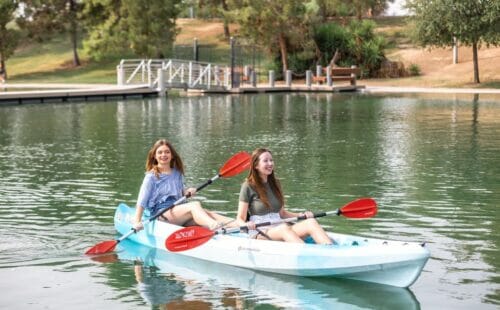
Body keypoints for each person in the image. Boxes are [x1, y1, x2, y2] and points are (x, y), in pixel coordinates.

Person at [236, 148, 333, 245]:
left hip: (279, 226)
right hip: (260, 231)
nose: (270, 164)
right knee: (283, 229)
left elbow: (282, 213)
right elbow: (240, 218)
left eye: (271, 160)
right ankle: (307, 255)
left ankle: (331, 251)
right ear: (256, 165)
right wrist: (246, 224)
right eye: (265, 161)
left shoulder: (276, 183)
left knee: (311, 222)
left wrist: (302, 216)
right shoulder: (248, 186)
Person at [133, 139, 234, 231]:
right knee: (195, 205)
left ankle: (237, 223)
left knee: (207, 213)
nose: (163, 155)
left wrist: (188, 191)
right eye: (160, 152)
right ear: (154, 156)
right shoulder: (151, 177)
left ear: (172, 155)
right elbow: (141, 201)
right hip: (161, 215)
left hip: (178, 212)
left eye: (167, 152)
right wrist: (137, 222)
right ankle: (214, 225)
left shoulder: (177, 173)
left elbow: (180, 193)